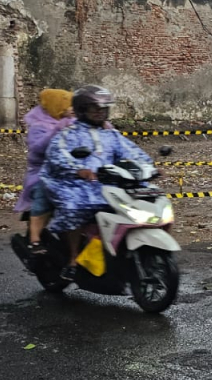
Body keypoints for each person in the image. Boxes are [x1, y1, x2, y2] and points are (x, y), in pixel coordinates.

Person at [42, 85, 152, 278]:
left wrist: (149, 167)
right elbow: (57, 155)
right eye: (95, 108)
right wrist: (78, 170)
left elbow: (132, 152)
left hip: (106, 183)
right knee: (74, 207)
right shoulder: (69, 134)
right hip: (73, 183)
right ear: (81, 109)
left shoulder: (111, 134)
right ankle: (73, 260)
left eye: (103, 109)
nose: (100, 112)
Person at [14, 88, 74, 255]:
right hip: (42, 171)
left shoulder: (71, 121)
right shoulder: (39, 126)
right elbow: (37, 148)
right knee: (43, 193)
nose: (71, 109)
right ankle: (35, 240)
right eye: (67, 105)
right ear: (57, 106)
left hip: (69, 169)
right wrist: (57, 130)